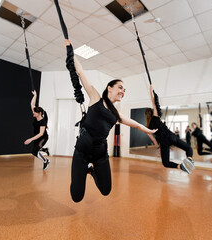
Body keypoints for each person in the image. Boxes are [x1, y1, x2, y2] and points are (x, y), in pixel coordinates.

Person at [66, 40, 157, 203]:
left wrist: (149, 130)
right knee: (77, 196)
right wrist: (70, 49)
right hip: (82, 151)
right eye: (120, 87)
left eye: (124, 90)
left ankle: (92, 171)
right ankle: (84, 169)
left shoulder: (117, 114)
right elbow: (80, 72)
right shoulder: (95, 98)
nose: (123, 91)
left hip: (100, 153)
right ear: (110, 87)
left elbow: (135, 124)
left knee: (106, 190)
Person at [145, 85, 194, 174]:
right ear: (152, 113)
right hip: (172, 136)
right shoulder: (156, 118)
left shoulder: (148, 127)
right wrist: (151, 92)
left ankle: (180, 166)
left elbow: (153, 139)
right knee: (188, 148)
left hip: (164, 142)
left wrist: (158, 147)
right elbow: (154, 104)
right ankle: (189, 159)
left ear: (146, 116)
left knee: (166, 163)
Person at [24, 90, 50, 170]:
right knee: (36, 149)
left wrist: (30, 139)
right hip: (37, 137)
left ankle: (46, 161)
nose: (33, 113)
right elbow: (32, 104)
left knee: (34, 152)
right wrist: (35, 95)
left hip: (42, 138)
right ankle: (45, 149)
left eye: (34, 113)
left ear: (39, 113)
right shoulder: (36, 115)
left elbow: (41, 134)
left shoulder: (42, 122)